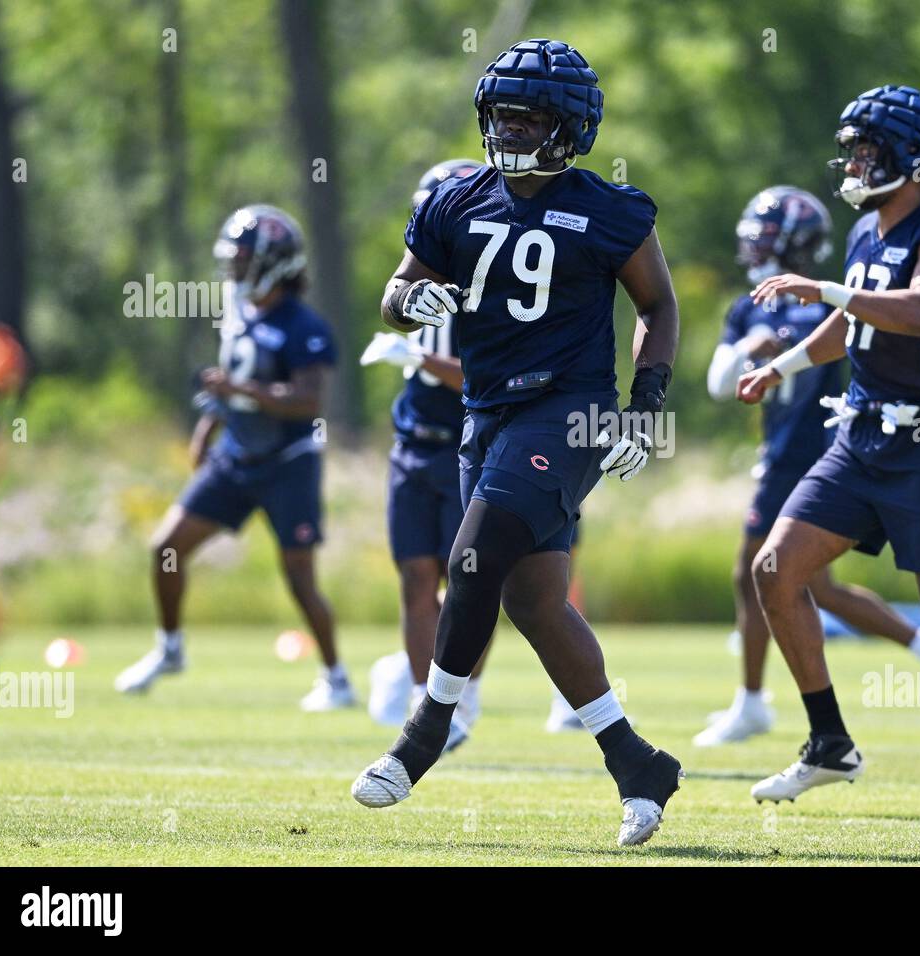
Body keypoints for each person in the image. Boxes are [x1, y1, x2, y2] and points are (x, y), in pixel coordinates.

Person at [351, 39, 684, 847]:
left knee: (469, 560)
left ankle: (425, 731)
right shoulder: (457, 199)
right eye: (502, 113)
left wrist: (644, 407)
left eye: (530, 117)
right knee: (531, 602)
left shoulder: (609, 209)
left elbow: (659, 308)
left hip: (568, 414)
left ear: (570, 127)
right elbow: (393, 295)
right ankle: (637, 763)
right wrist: (411, 300)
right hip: (485, 413)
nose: (511, 129)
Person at [737, 85, 920, 817]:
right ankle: (829, 741)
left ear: (912, 161)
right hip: (861, 437)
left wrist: (825, 287)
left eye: (871, 150)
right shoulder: (867, 234)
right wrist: (785, 365)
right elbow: (845, 327)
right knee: (775, 568)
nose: (858, 162)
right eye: (855, 149)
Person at [700, 185, 920, 746]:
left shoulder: (821, 302)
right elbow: (719, 383)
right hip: (780, 454)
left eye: (765, 232)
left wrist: (780, 346)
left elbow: (846, 350)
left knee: (755, 573)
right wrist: (753, 346)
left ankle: (752, 702)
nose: (754, 243)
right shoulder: (748, 307)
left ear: (793, 241)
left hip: (815, 451)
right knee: (811, 584)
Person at [116, 205, 352, 711]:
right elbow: (229, 384)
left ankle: (336, 678)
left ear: (274, 263)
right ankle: (170, 648)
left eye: (244, 260)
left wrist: (238, 389)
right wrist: (208, 426)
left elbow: (308, 400)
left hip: (288, 461)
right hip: (235, 454)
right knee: (167, 547)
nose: (235, 270)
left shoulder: (303, 324)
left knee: (300, 580)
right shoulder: (239, 310)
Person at [362, 159, 484, 749]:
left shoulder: (492, 286)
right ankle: (421, 699)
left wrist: (417, 360)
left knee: (467, 581)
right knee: (415, 578)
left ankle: (461, 697)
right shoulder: (419, 275)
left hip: (468, 449)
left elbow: (483, 378)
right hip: (414, 446)